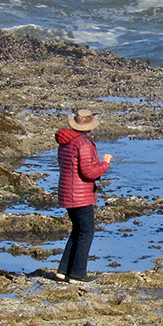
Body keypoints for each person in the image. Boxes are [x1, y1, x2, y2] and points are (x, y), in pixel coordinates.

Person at [55, 109, 112, 283]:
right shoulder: (84, 144)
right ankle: (77, 274)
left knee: (78, 230)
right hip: (80, 195)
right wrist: (105, 163)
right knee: (86, 232)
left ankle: (64, 270)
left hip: (67, 191)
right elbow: (89, 172)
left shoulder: (66, 142)